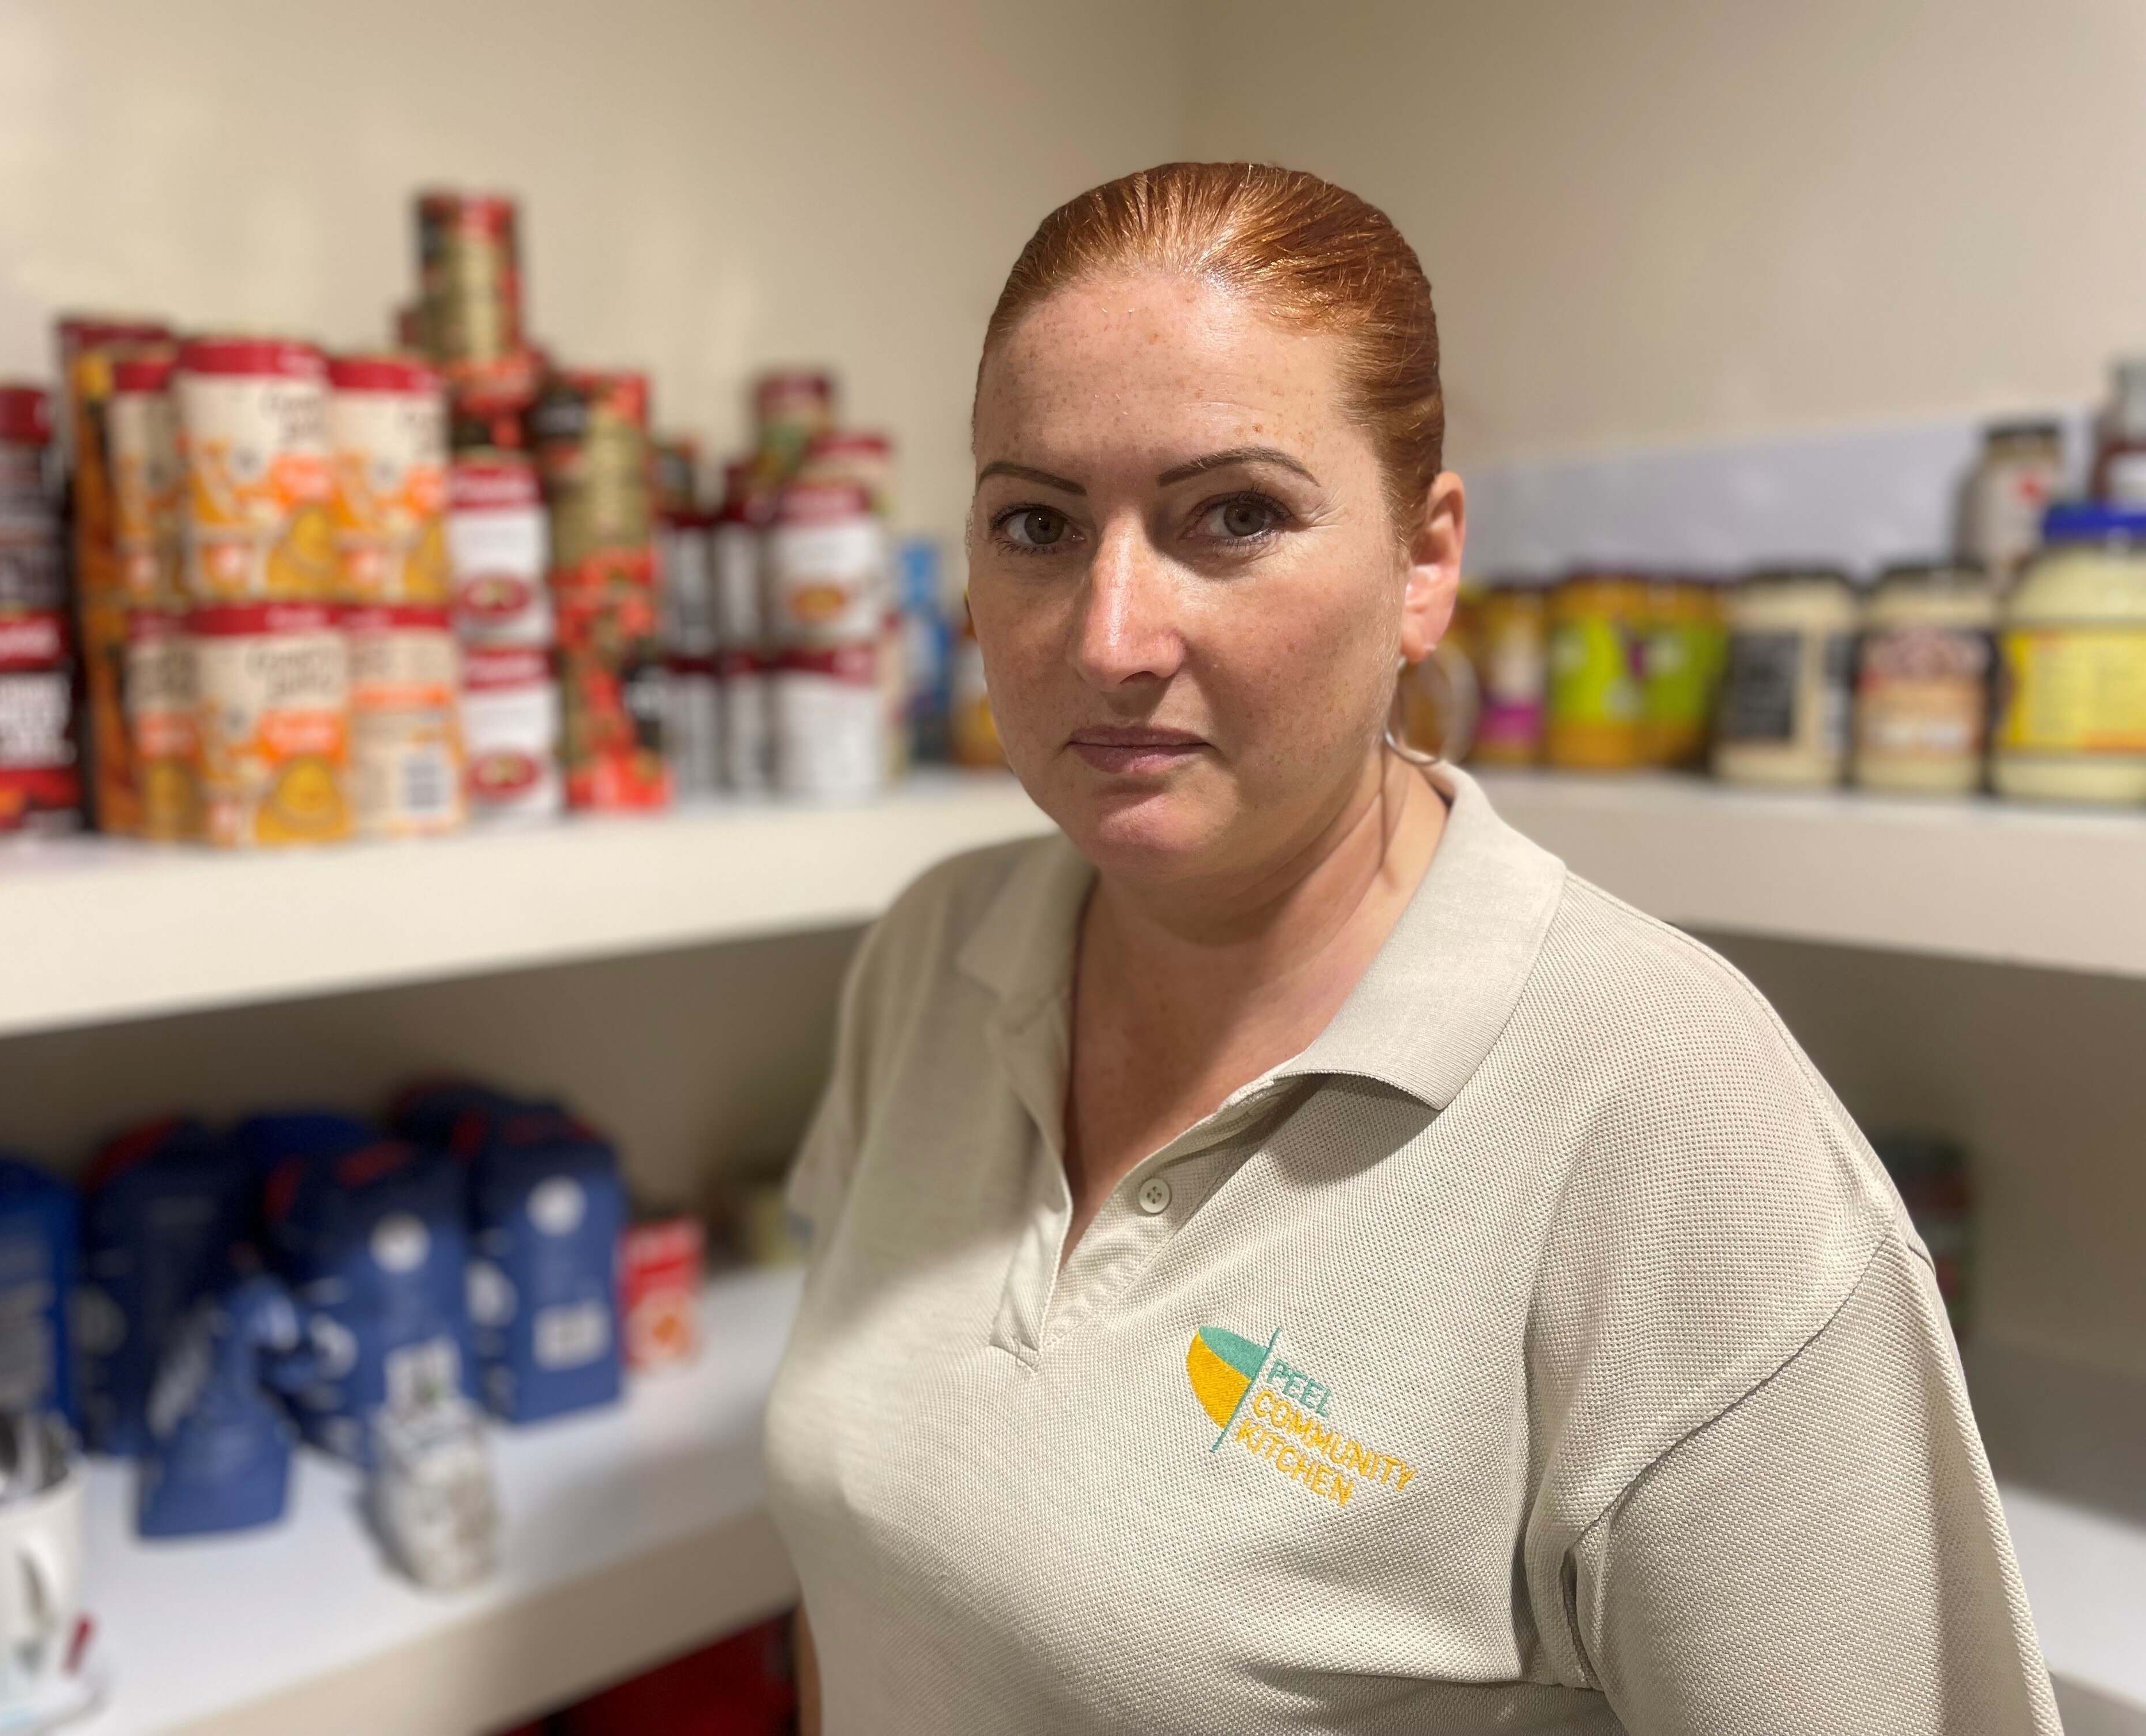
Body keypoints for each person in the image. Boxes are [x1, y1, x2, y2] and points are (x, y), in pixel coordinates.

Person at [763, 162, 2059, 1735]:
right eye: (1035, 522)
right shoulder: (937, 954)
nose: (1108, 637)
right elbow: (862, 1581)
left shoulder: (1680, 1129)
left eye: (1233, 516)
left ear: (1424, 565)